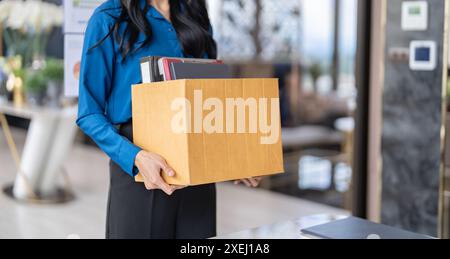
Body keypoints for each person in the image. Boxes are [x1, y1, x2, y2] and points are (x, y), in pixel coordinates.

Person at [77, 0, 261, 239]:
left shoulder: (195, 15)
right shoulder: (109, 18)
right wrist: (135, 157)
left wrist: (232, 157)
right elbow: (89, 113)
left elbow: (209, 99)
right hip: (140, 169)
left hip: (198, 172)